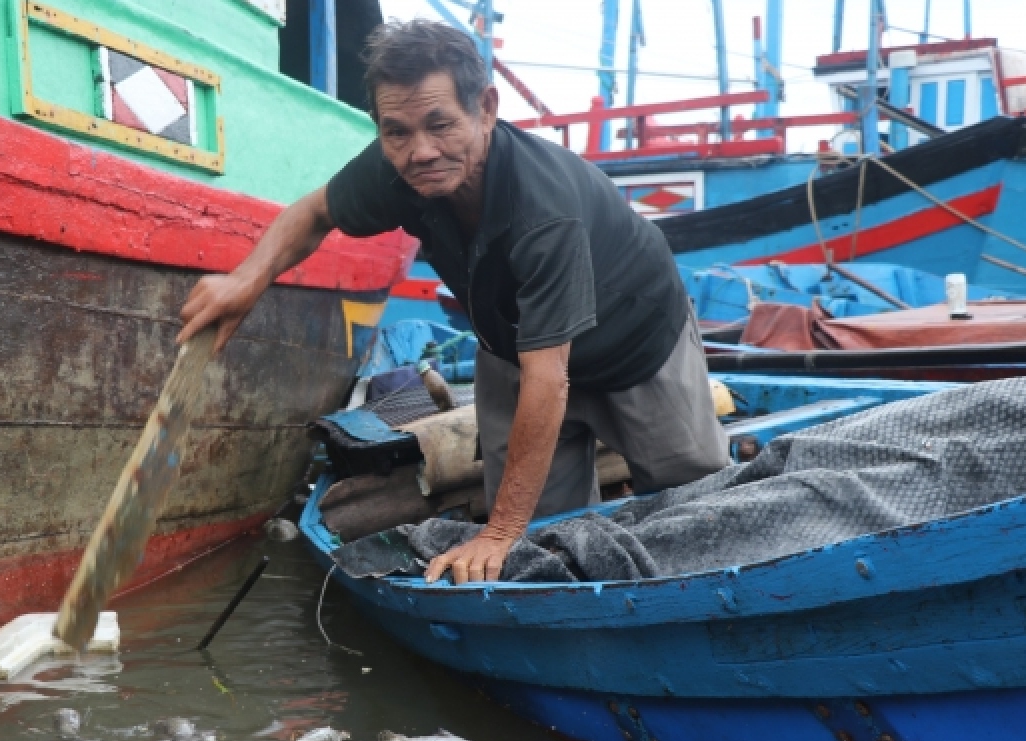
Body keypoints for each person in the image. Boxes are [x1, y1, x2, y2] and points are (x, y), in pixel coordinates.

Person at [178, 20, 729, 585]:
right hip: (517, 347)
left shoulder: (543, 209)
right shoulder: (398, 167)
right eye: (397, 132)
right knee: (544, 537)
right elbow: (314, 212)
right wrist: (245, 280)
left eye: (441, 124)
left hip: (635, 342)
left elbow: (551, 380)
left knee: (698, 510)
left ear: (485, 108)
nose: (421, 151)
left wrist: (496, 530)